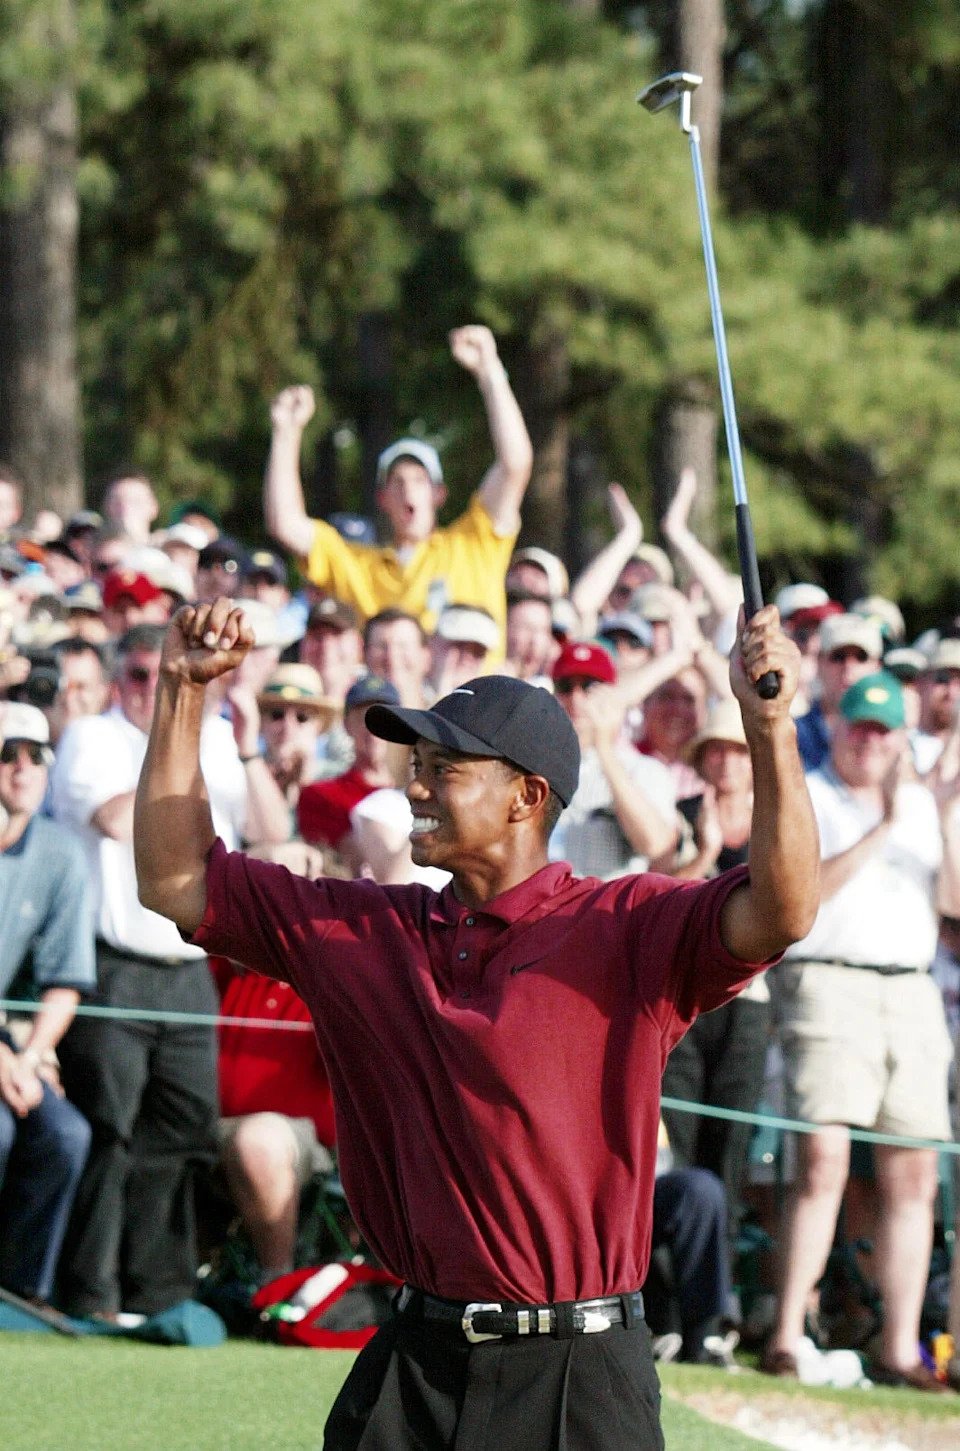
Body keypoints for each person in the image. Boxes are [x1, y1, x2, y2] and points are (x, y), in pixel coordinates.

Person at [132, 593, 818, 1451]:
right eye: (416, 761)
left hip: (579, 1377)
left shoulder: (629, 925)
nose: (413, 784)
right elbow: (173, 879)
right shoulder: (363, 931)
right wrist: (181, 690)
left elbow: (784, 909)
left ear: (527, 795)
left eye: (444, 767)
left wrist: (771, 729)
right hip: (412, 1368)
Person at [48, 624, 281, 1319]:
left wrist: (244, 748)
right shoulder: (93, 737)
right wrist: (180, 765)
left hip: (187, 967)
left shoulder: (216, 741)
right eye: (138, 674)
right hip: (115, 962)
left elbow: (261, 833)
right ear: (118, 680)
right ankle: (90, 1294)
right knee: (109, 1130)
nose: (150, 688)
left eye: (162, 674)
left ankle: (159, 1292)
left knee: (182, 1129)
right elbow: (122, 822)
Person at [761, 672, 956, 1391]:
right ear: (838, 728)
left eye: (883, 730)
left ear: (902, 738)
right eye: (859, 727)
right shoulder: (811, 792)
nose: (870, 742)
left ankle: (899, 1348)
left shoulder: (923, 806)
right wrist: (884, 828)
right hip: (828, 978)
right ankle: (787, 1332)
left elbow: (953, 904)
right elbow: (802, 894)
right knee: (823, 1160)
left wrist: (937, 817)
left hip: (911, 986)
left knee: (915, 1172)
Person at [264, 325, 533, 640]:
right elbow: (285, 524)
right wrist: (285, 432)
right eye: (398, 482)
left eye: (419, 480)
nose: (408, 490)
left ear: (439, 494)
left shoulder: (473, 545)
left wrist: (489, 370)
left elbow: (515, 465)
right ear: (382, 499)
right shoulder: (358, 566)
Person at [0, 702, 94, 1307]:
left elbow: (65, 982)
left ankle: (19, 1295)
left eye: (36, 757)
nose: (23, 769)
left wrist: (32, 1057)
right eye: (7, 755)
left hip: (15, 1044)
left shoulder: (60, 853)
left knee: (66, 1135)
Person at [549, 641, 676, 880]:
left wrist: (604, 747)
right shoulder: (535, 767)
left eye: (589, 686)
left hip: (609, 901)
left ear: (612, 695)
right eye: (566, 687)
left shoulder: (644, 769)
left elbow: (656, 845)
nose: (576, 699)